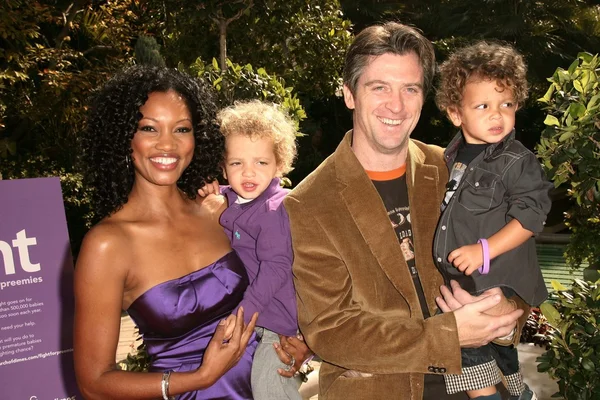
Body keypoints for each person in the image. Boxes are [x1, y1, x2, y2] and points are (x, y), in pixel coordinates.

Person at [283, 22, 526, 400]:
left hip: (487, 382)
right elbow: (330, 331)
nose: (396, 106)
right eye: (379, 87)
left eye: (409, 89)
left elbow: (515, 265)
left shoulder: (457, 168)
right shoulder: (310, 202)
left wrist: (506, 314)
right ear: (349, 94)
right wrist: (448, 336)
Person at [75, 66, 268, 400]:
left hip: (270, 388)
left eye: (182, 129)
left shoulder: (218, 211)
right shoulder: (107, 245)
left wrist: (291, 338)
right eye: (149, 128)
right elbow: (94, 383)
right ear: (124, 137)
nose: (168, 144)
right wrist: (199, 377)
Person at [433, 42, 552, 400]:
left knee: (465, 349)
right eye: (483, 106)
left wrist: (483, 250)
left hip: (496, 277)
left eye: (507, 105)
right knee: (499, 355)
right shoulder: (449, 157)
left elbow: (531, 216)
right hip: (466, 276)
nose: (497, 115)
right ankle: (520, 394)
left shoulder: (516, 160)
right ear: (456, 113)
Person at [198, 100, 306, 400]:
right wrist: (213, 190)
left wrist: (242, 316)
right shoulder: (236, 197)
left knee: (269, 388)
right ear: (224, 166)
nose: (249, 173)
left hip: (281, 327)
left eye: (261, 163)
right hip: (264, 318)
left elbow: (275, 268)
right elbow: (229, 194)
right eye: (237, 163)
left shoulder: (274, 209)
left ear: (279, 165)